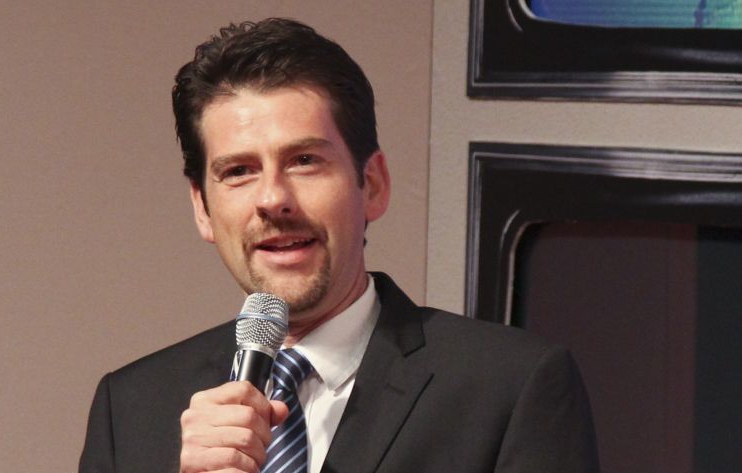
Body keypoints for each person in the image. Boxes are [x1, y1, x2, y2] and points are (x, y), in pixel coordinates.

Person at [79, 18, 599, 473]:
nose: (273, 199)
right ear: (202, 208)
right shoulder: (131, 408)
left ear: (371, 184)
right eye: (238, 171)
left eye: (304, 161)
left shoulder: (508, 386)